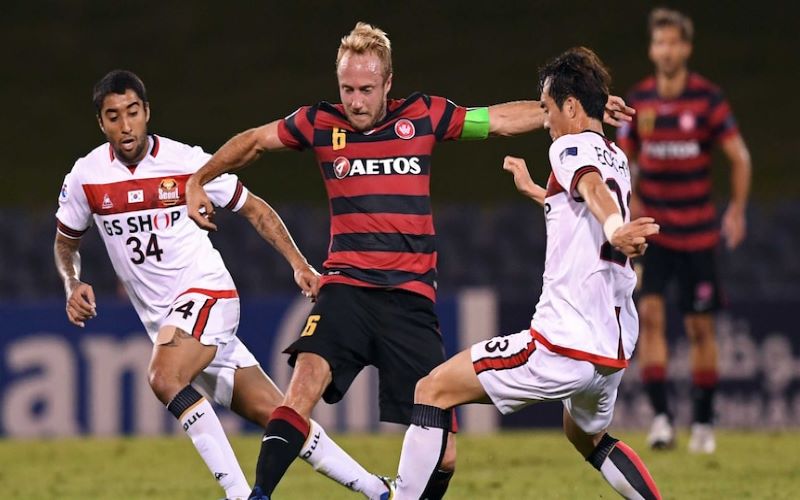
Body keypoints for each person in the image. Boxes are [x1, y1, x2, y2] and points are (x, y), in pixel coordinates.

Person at [185, 23, 635, 500]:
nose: (355, 101)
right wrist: (200, 178)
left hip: (411, 298)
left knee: (445, 455)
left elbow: (497, 120)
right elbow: (253, 141)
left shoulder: (422, 116)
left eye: (366, 89)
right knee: (303, 386)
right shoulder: (318, 124)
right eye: (347, 89)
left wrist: (575, 111)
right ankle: (258, 495)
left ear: (388, 83)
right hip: (347, 288)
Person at [54, 69, 393, 500]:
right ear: (101, 123)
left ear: (147, 113)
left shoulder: (187, 163)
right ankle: (382, 491)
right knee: (279, 416)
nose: (126, 126)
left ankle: (238, 496)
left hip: (207, 294)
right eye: (114, 116)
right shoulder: (86, 177)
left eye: (133, 113)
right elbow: (66, 242)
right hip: (170, 324)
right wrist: (72, 282)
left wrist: (299, 264)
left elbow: (254, 209)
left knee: (164, 377)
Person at [391, 47, 661, 500]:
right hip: (610, 349)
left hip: (561, 344)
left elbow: (592, 192)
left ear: (571, 107)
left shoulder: (568, 147)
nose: (546, 120)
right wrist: (540, 192)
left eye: (548, 108)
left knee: (431, 389)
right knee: (586, 437)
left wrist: (615, 228)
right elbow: (584, 207)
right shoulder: (616, 156)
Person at [616, 8, 752, 453]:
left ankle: (704, 424)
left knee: (699, 329)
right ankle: (660, 420)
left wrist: (736, 211)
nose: (666, 50)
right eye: (659, 43)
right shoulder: (640, 103)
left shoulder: (708, 100)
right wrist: (627, 213)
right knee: (651, 318)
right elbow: (619, 163)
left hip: (698, 234)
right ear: (652, 49)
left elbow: (740, 157)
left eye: (674, 42)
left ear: (686, 48)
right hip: (655, 232)